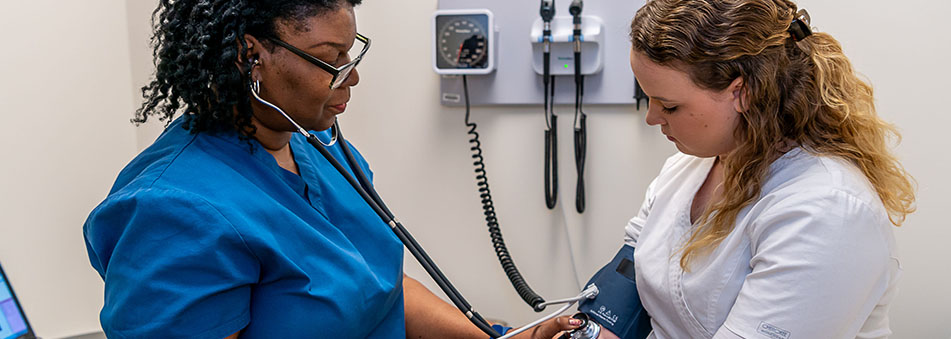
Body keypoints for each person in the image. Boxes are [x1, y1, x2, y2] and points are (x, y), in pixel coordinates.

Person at [82, 0, 579, 338]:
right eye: (330, 59)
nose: (352, 77)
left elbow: (372, 286)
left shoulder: (317, 145)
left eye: (351, 53)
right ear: (248, 55)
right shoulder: (172, 209)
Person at [602, 0, 917, 338]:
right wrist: (592, 326)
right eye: (647, 96)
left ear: (742, 93)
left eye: (670, 105)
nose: (652, 118)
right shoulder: (686, 168)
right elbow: (629, 275)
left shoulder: (826, 210)